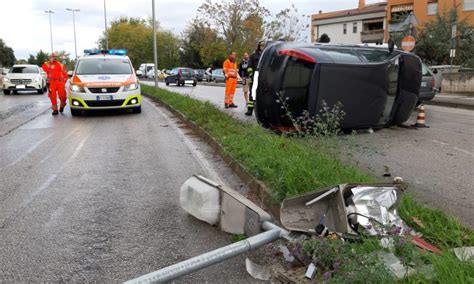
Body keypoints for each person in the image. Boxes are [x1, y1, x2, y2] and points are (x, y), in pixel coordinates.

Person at [245, 40, 264, 116]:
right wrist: (251, 76)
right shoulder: (253, 56)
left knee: (262, 95)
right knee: (252, 94)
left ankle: (261, 112)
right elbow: (249, 67)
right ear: (259, 46)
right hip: (255, 77)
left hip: (263, 78)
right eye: (261, 45)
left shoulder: (265, 56)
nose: (263, 47)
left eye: (264, 45)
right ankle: (250, 110)